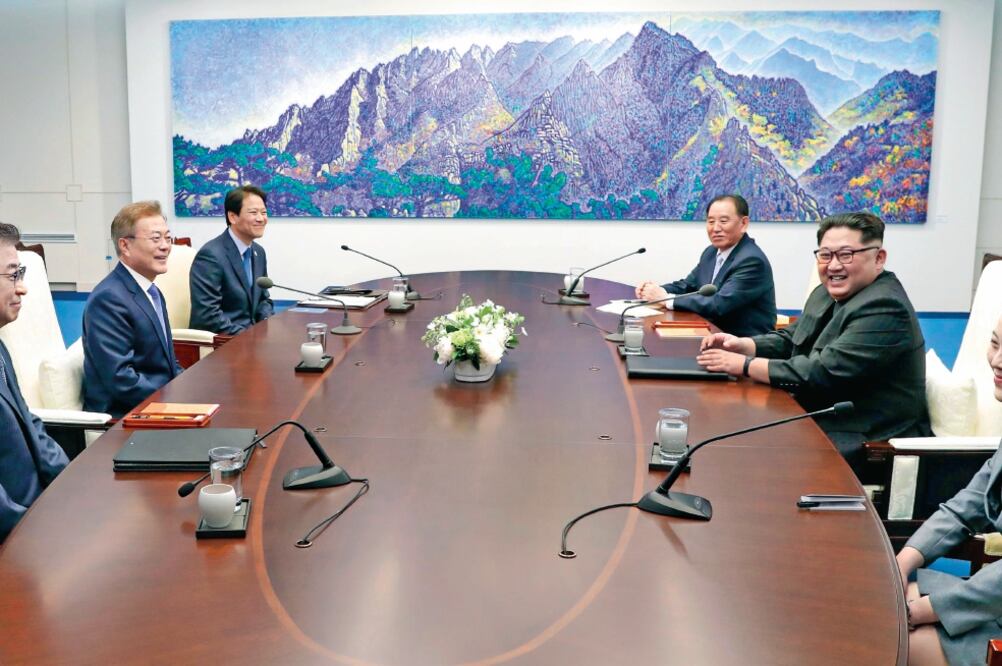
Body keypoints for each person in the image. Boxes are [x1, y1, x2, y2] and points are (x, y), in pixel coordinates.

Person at [697, 211, 931, 470]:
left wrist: (744, 365)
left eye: (846, 255)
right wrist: (745, 344)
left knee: (746, 453)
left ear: (879, 258)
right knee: (724, 425)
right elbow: (794, 339)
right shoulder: (825, 292)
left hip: (865, 437)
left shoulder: (884, 307)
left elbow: (822, 371)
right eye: (826, 255)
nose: (833, 266)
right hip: (818, 413)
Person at [895, 315, 1002, 666]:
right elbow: (964, 507)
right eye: (996, 343)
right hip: (990, 594)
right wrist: (901, 562)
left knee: (889, 640)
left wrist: (925, 611)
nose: (997, 361)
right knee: (874, 597)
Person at [0, 222, 68, 542]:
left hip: (40, 509)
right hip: (18, 534)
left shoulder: (0, 345)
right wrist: (36, 528)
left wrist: (72, 481)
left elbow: (30, 423)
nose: (23, 288)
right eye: (13, 275)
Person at [83, 201, 183, 418]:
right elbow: (121, 380)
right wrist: (174, 401)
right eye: (156, 239)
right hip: (125, 417)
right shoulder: (109, 298)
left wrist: (187, 387)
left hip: (154, 403)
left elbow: (167, 360)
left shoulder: (150, 290)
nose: (165, 246)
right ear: (125, 245)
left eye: (168, 238)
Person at [635, 194, 776, 337]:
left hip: (742, 345)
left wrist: (666, 299)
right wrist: (654, 291)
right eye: (710, 221)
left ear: (743, 223)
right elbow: (688, 286)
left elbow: (718, 304)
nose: (715, 228)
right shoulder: (711, 252)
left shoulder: (751, 261)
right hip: (710, 335)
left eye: (723, 221)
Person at [189, 185, 273, 334]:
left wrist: (266, 324)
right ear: (232, 217)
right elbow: (207, 317)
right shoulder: (211, 256)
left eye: (264, 212)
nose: (261, 219)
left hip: (252, 340)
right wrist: (249, 337)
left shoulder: (258, 252)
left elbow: (263, 300)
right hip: (224, 343)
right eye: (253, 213)